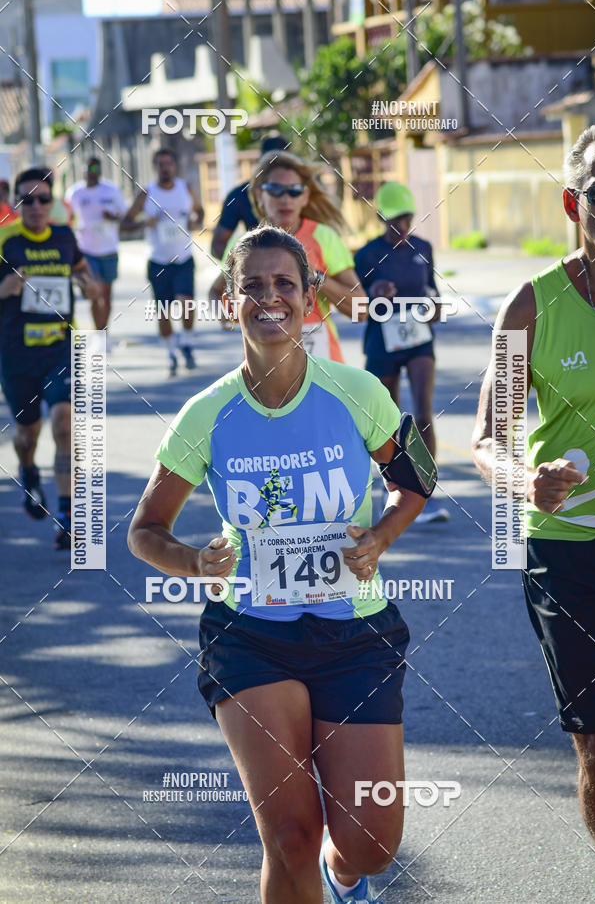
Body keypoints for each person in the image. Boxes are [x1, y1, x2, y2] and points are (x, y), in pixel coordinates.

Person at [128, 226, 431, 903]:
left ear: (309, 295)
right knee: (289, 836)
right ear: (230, 300)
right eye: (252, 287)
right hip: (250, 637)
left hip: (355, 634)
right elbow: (145, 532)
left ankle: (343, 872)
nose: (269, 299)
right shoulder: (205, 414)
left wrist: (380, 537)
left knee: (373, 846)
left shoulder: (356, 390)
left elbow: (417, 478)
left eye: (284, 285)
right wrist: (193, 561)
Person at [472, 123, 595, 850]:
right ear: (572, 204)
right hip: (570, 552)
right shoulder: (532, 308)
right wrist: (529, 482)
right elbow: (489, 439)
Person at [0, 167, 100, 549]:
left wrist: (88, 286)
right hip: (16, 354)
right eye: (28, 200)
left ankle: (68, 514)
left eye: (43, 199)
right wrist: (4, 288)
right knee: (27, 435)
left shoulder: (64, 236)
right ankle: (27, 470)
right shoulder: (5, 240)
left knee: (63, 425)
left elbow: (81, 272)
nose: (36, 207)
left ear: (53, 203)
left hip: (60, 347)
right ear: (17, 203)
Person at [209, 150, 366, 361]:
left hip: (324, 366)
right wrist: (231, 315)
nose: (285, 199)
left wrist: (316, 277)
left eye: (295, 191)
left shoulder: (323, 237)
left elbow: (360, 309)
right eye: (275, 190)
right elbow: (217, 292)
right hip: (266, 368)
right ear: (258, 195)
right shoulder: (245, 244)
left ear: (306, 196)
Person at [354, 182, 449, 524]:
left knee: (423, 414)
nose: (403, 226)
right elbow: (355, 306)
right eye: (395, 220)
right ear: (381, 218)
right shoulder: (365, 254)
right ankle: (393, 484)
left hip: (419, 337)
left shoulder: (423, 247)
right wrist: (374, 293)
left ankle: (426, 492)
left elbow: (433, 292)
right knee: (389, 422)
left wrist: (436, 306)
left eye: (407, 218)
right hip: (382, 341)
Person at [122, 148, 204, 376]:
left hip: (184, 257)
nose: (165, 168)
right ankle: (171, 353)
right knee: (164, 311)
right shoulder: (146, 193)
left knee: (186, 301)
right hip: (158, 260)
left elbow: (200, 211)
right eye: (160, 164)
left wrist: (197, 221)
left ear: (174, 166)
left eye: (168, 164)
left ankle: (187, 343)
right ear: (155, 167)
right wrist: (143, 224)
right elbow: (125, 223)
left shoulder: (185, 188)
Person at [66, 157, 128, 342]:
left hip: (108, 249)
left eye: (95, 167)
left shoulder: (111, 190)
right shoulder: (75, 193)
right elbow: (67, 217)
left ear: (100, 170)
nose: (92, 171)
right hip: (86, 250)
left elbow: (124, 216)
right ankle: (98, 332)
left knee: (106, 293)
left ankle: (104, 331)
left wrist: (113, 217)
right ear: (83, 170)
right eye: (88, 167)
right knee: (95, 291)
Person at [210, 134, 290, 261]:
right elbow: (217, 245)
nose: (285, 199)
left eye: (292, 193)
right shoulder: (240, 195)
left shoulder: (306, 191)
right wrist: (246, 268)